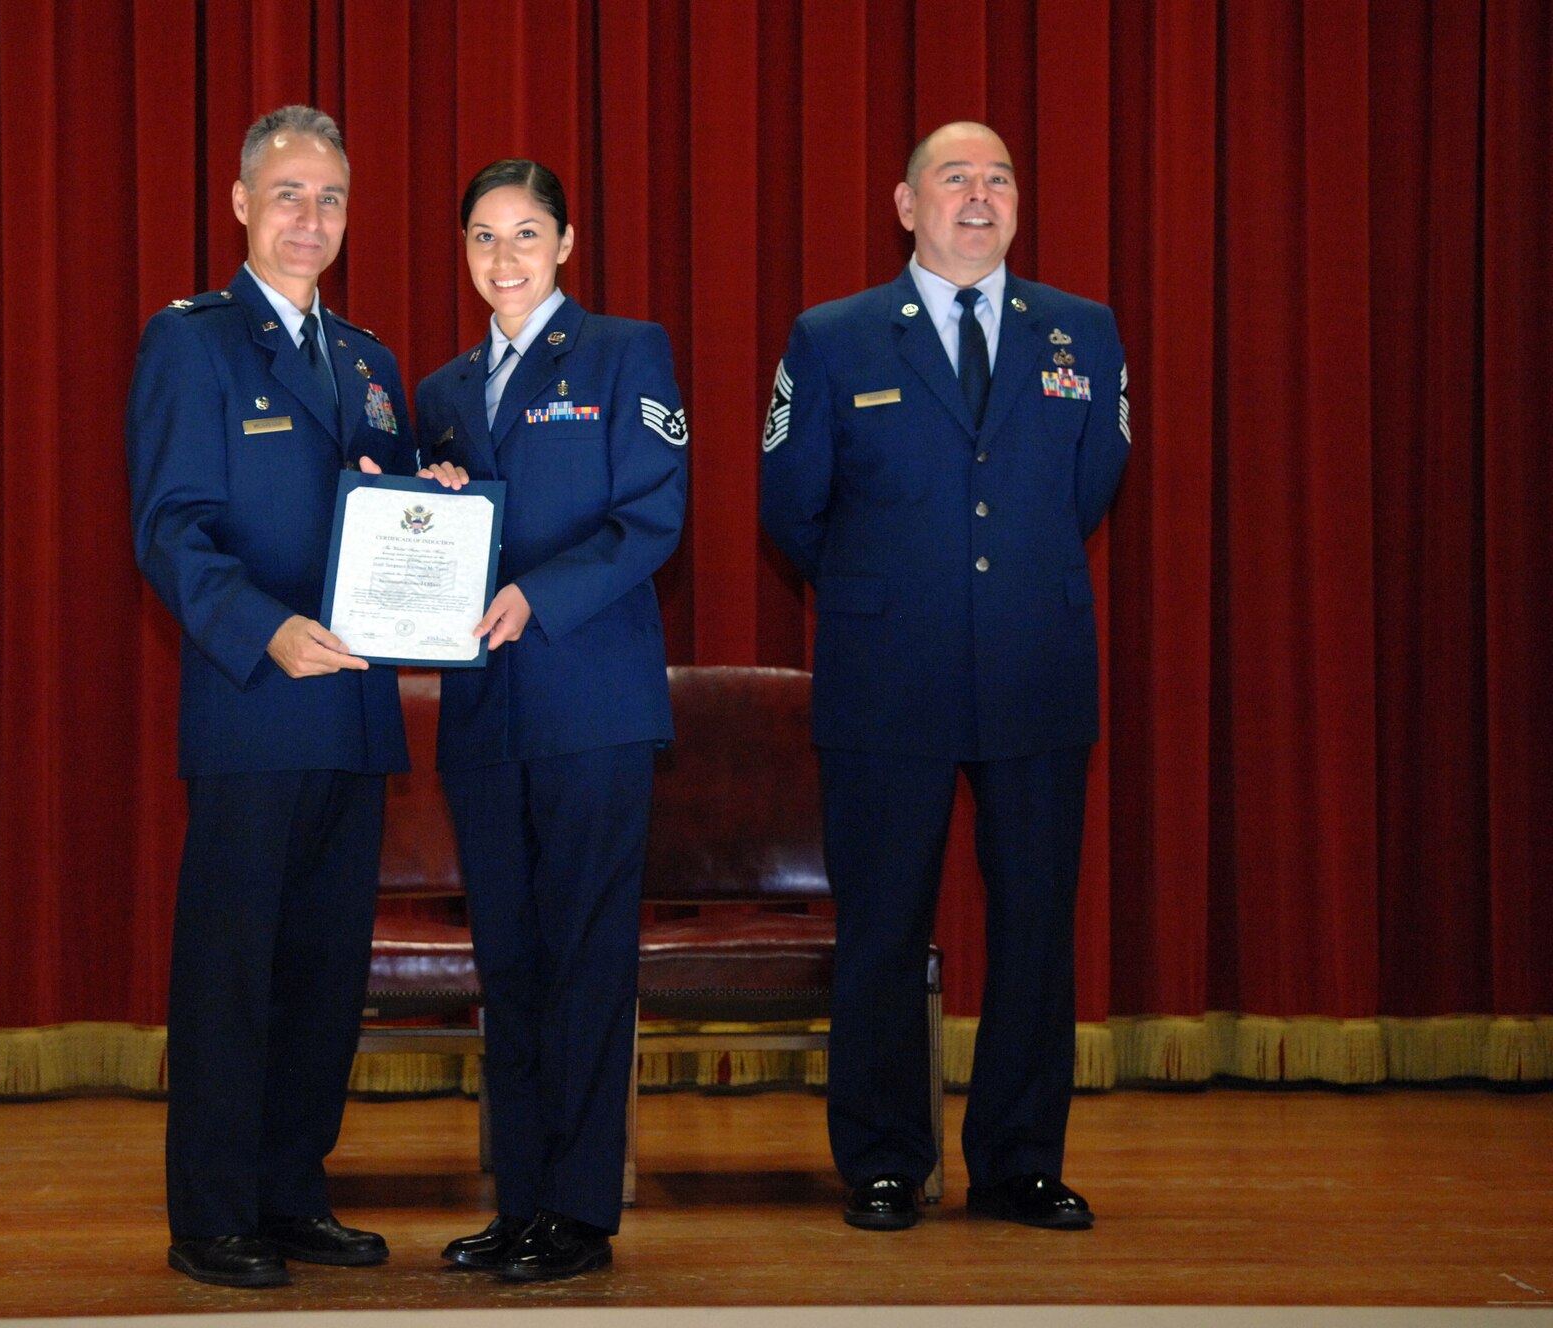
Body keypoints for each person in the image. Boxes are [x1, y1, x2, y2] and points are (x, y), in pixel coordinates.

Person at [759, 122, 1130, 1232]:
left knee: (1032, 924)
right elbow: (793, 507)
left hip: (1032, 665)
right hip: (887, 669)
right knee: (880, 924)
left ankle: (1017, 1159)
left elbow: (1090, 485)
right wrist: (899, 589)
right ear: (903, 204)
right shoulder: (832, 337)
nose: (978, 195)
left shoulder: (1081, 331)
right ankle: (881, 1158)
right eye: (952, 178)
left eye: (998, 177)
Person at [125, 104, 462, 1288]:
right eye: (285, 195)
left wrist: (438, 494)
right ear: (238, 205)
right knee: (232, 968)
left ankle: (289, 1190)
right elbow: (171, 530)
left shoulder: (368, 360)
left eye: (327, 199)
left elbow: (386, 508)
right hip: (254, 702)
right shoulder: (191, 343)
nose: (307, 219)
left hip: (356, 712)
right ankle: (212, 1211)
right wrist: (265, 631)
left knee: (323, 972)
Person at [415, 159, 688, 1281]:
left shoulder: (627, 352)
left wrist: (541, 593)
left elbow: (650, 517)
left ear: (567, 243)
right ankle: (519, 1198)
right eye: (483, 236)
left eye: (525, 233)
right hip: (483, 711)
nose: (504, 257)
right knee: (509, 963)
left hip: (591, 703)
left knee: (584, 958)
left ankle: (577, 1212)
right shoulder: (439, 390)